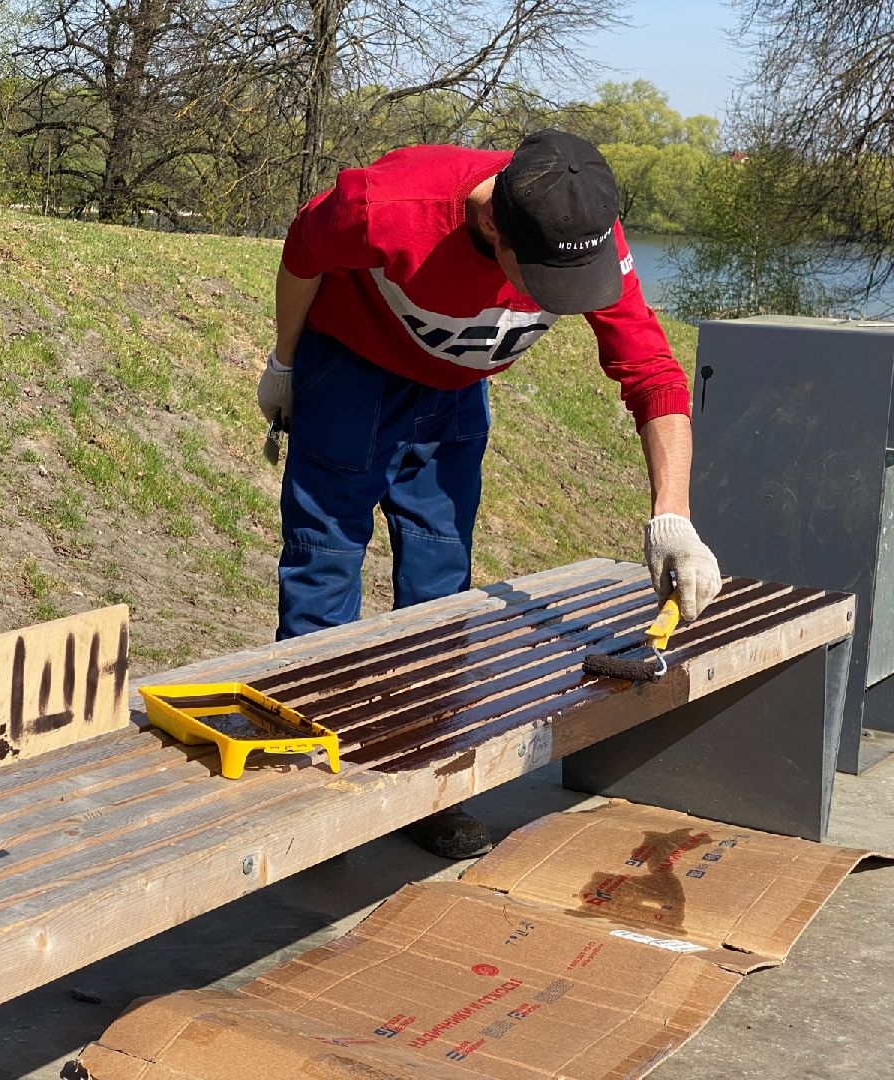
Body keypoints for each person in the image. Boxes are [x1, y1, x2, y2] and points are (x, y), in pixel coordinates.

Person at [257, 129, 721, 860]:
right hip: (351, 369)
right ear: (491, 224)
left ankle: (430, 781)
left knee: (442, 583)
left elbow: (651, 371)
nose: (553, 301)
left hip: (455, 394)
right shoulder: (385, 204)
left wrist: (674, 518)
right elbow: (301, 253)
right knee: (324, 564)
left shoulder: (577, 223)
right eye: (539, 279)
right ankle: (310, 797)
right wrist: (284, 360)